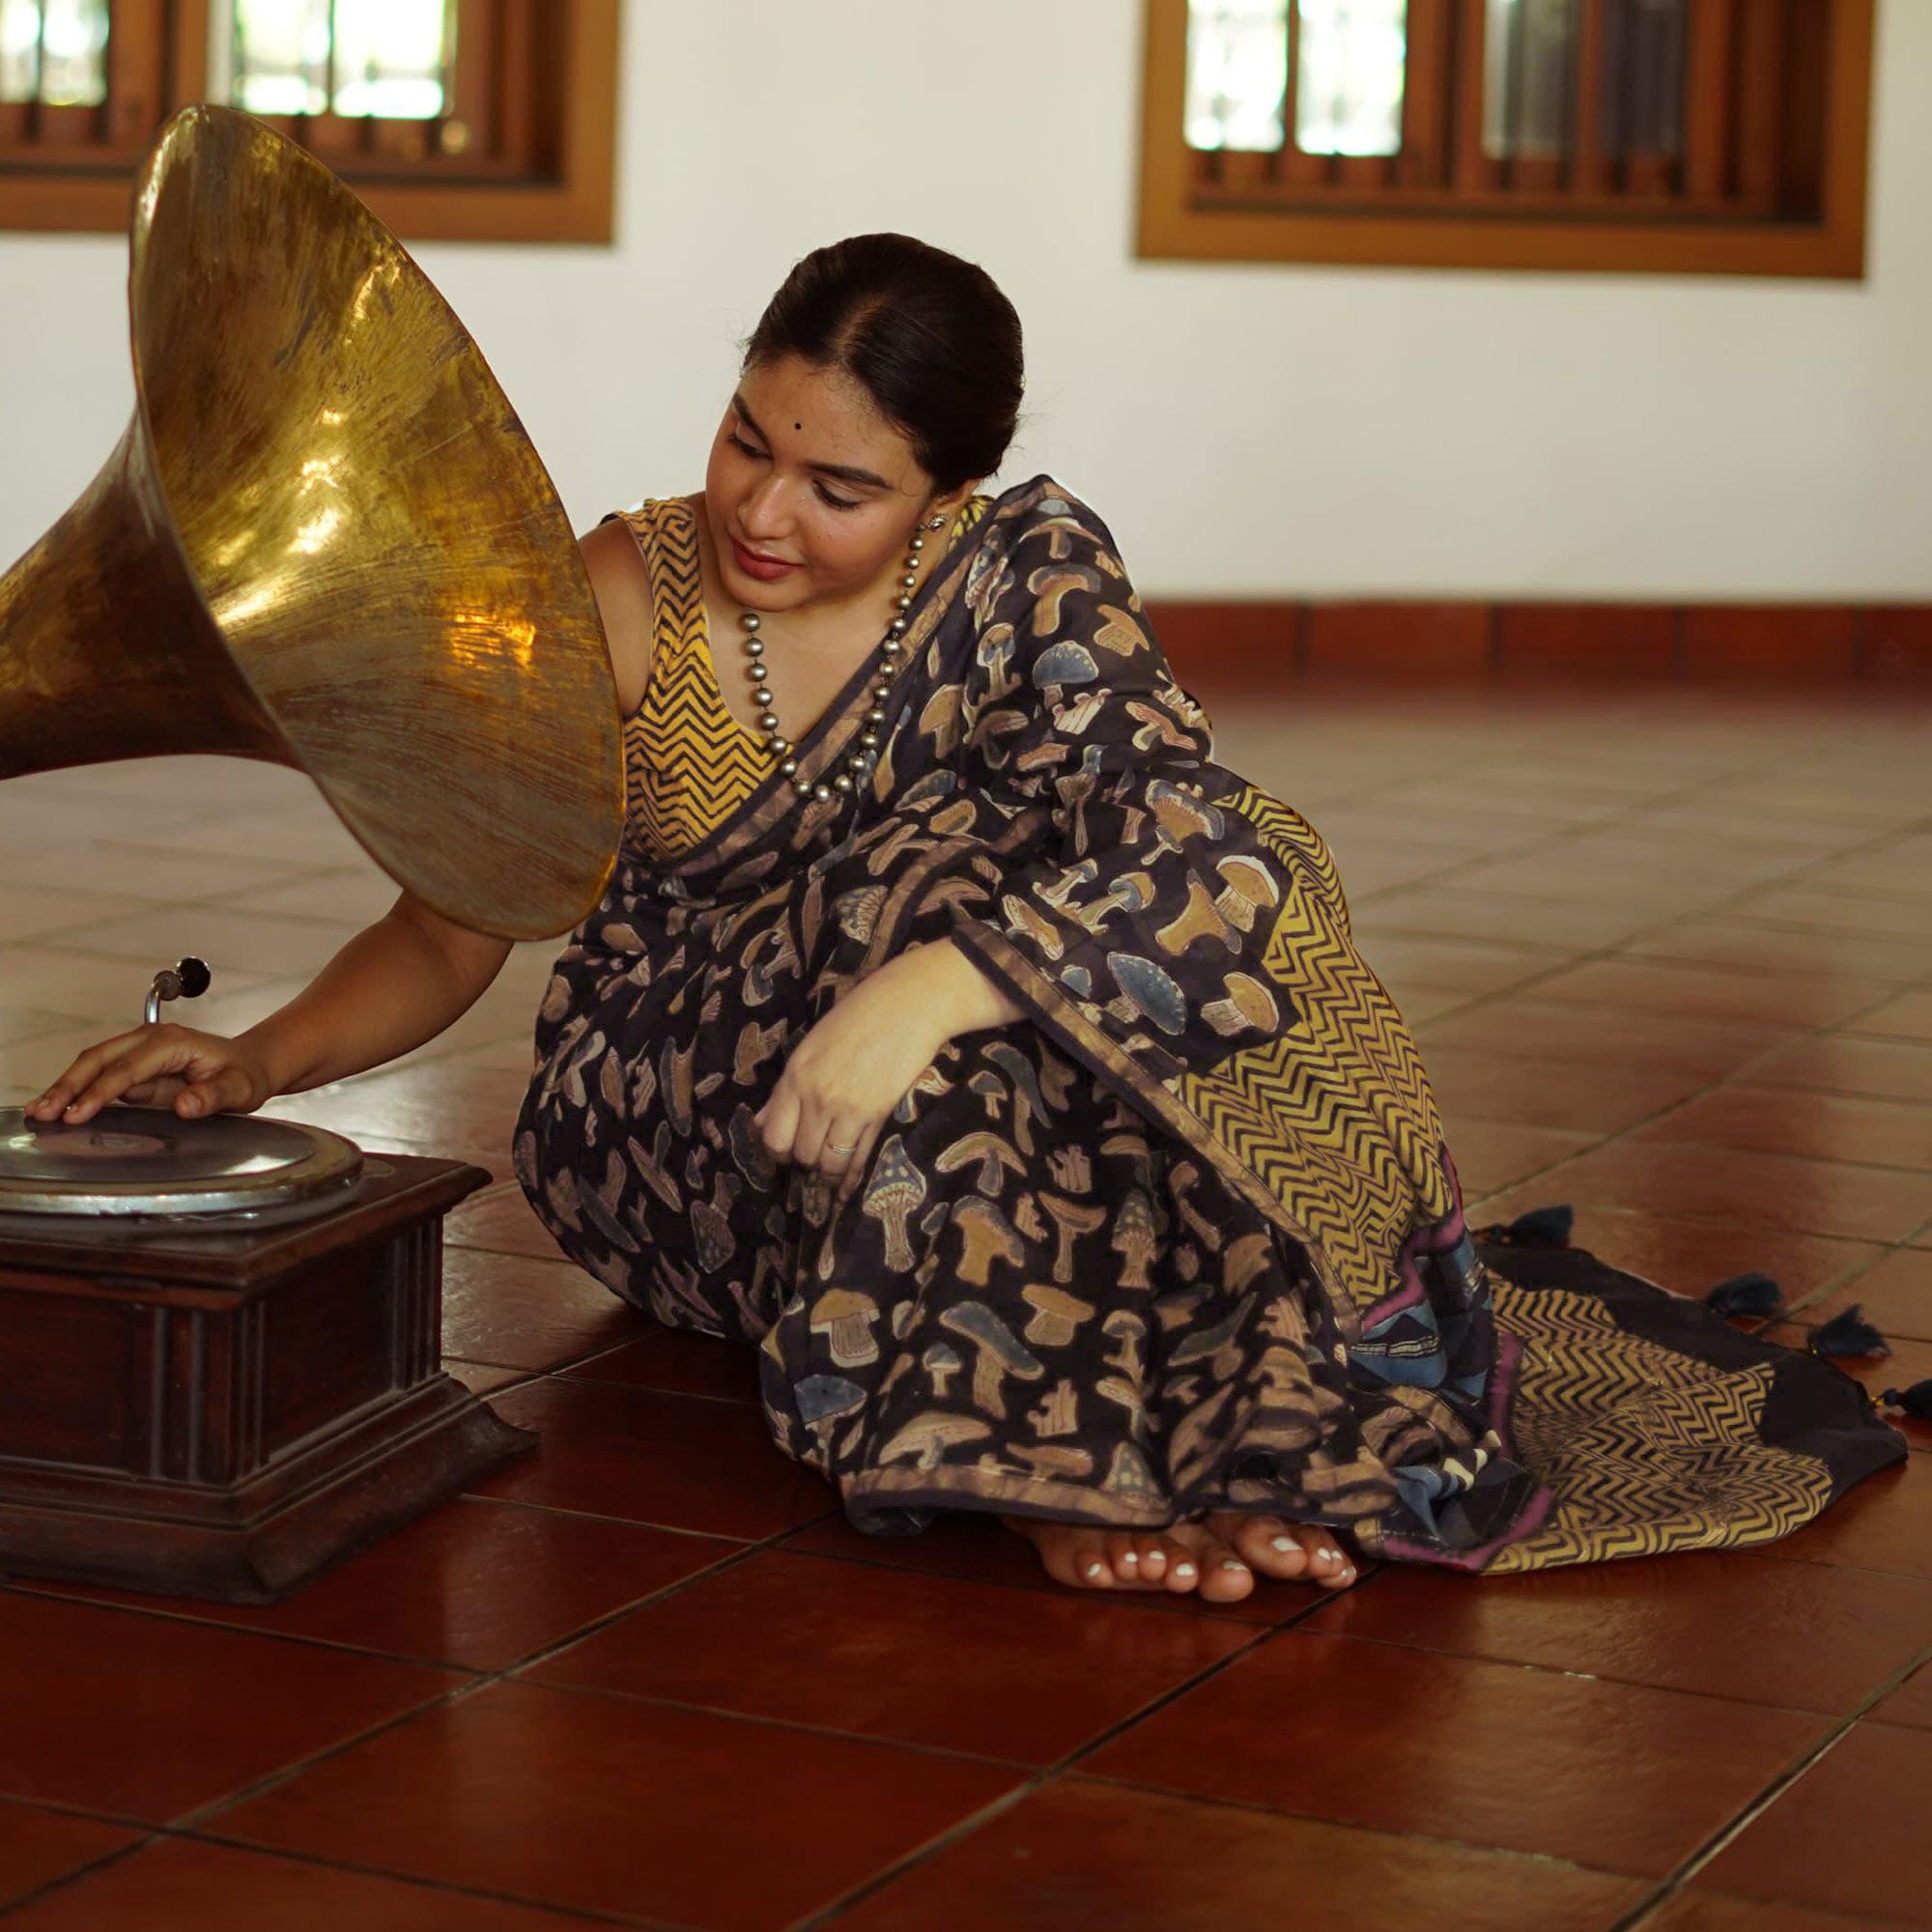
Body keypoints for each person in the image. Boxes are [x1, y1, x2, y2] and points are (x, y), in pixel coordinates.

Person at [30, 234, 1903, 1604]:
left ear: (950, 500)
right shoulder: (628, 587)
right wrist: (259, 1051)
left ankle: (1210, 1451)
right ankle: (1036, 1476)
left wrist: (937, 983)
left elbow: (1206, 856)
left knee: (1130, 965)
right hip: (685, 1106)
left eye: (840, 485)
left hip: (933, 1054)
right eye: (747, 437)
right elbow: (456, 923)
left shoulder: (1029, 576)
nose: (762, 509)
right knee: (957, 908)